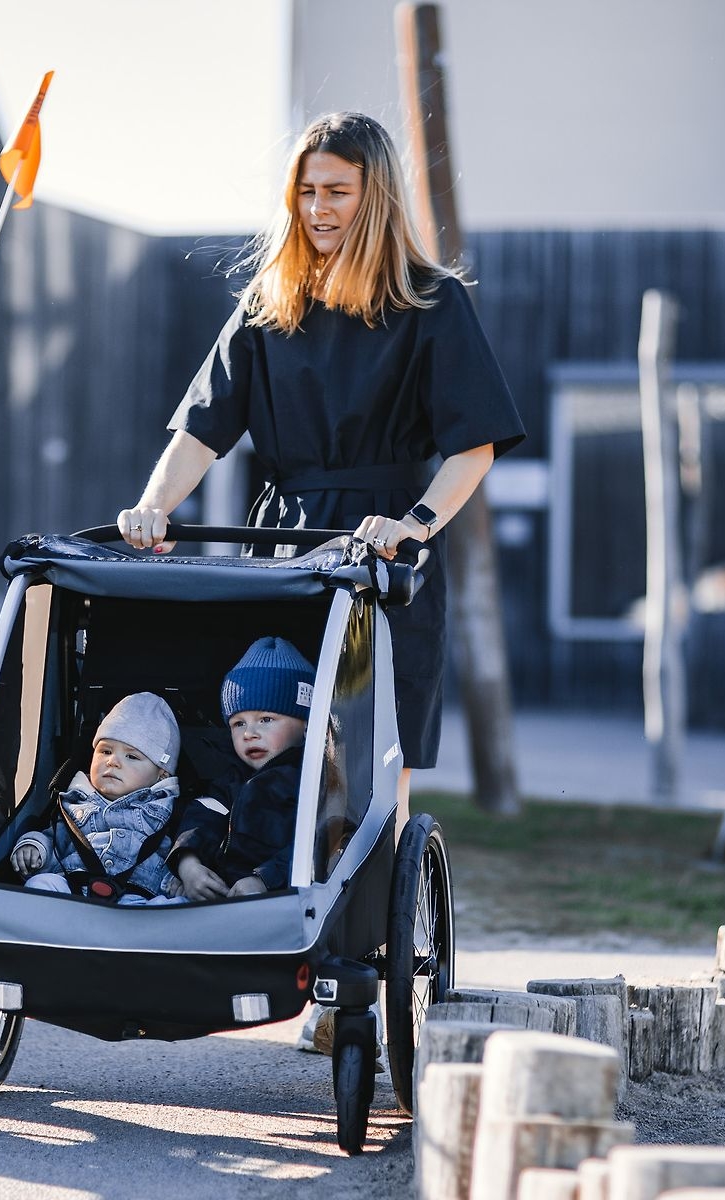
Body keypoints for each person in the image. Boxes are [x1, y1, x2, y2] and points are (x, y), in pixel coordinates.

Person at [117, 112, 525, 828]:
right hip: (284, 548)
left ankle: (366, 920)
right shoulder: (268, 305)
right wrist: (152, 507)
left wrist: (416, 522)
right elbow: (201, 430)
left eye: (337, 191)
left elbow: (474, 447)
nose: (317, 210)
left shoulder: (432, 303)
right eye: (306, 192)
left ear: (378, 197)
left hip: (386, 550)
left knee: (371, 757)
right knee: (269, 739)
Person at [169, 638, 313, 900]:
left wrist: (264, 880)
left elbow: (317, 844)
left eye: (266, 719)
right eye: (238, 724)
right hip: (222, 893)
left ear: (306, 725)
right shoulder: (231, 780)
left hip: (278, 898)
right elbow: (201, 820)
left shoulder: (312, 780)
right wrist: (189, 866)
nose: (249, 733)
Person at [10, 692, 185, 903]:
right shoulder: (74, 803)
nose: (112, 761)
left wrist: (176, 880)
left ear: (162, 774)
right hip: (74, 892)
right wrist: (34, 847)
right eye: (105, 751)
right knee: (40, 885)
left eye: (131, 756)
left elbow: (171, 854)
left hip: (136, 900)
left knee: (177, 905)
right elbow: (54, 838)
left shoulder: (164, 811)